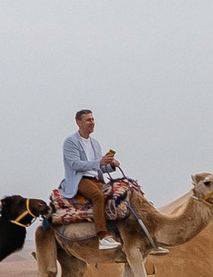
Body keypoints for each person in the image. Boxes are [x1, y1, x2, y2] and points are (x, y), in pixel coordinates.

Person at [64, 109, 163, 257]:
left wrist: (111, 165)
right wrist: (99, 162)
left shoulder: (95, 144)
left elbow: (99, 167)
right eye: (88, 120)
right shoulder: (71, 142)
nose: (92, 122)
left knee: (127, 194)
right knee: (98, 196)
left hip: (96, 179)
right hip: (79, 179)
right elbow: (75, 164)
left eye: (93, 119)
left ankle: (148, 237)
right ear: (78, 122)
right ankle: (103, 236)